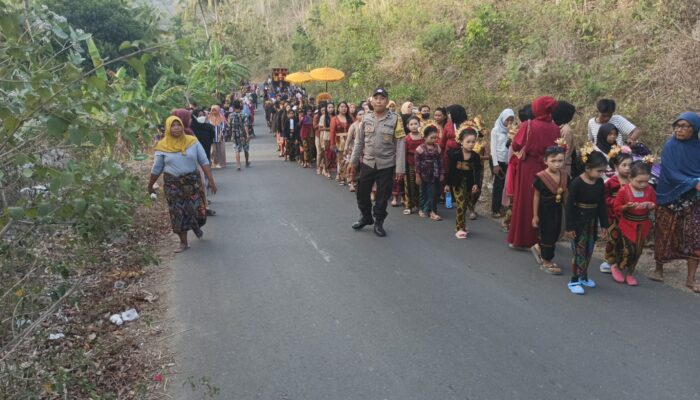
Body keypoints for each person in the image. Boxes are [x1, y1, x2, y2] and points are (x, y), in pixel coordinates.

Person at [148, 116, 217, 253]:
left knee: (197, 210)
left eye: (178, 125)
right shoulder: (162, 146)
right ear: (168, 128)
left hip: (192, 182)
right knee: (177, 213)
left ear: (182, 126)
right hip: (173, 184)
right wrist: (150, 185)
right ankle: (183, 242)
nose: (176, 128)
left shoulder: (192, 141)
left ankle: (196, 225)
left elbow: (203, 161)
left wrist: (211, 181)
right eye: (173, 126)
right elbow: (157, 168)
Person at [650, 112, 700, 293]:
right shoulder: (671, 146)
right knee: (665, 232)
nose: (680, 130)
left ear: (694, 129)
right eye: (677, 126)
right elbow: (670, 173)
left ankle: (690, 279)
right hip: (670, 196)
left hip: (693, 199)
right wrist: (694, 182)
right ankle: (658, 269)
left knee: (696, 237)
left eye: (685, 126)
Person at [348, 88, 406, 237]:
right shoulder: (366, 118)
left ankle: (378, 222)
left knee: (382, 196)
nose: (379, 101)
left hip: (386, 164)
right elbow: (359, 142)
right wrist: (353, 162)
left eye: (382, 98)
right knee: (361, 192)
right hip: (368, 162)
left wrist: (400, 168)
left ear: (387, 101)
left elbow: (400, 144)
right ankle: (366, 217)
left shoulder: (396, 119)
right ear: (371, 100)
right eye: (376, 98)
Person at [507, 96, 561, 249]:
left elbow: (516, 146)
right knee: (542, 201)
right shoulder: (556, 128)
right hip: (546, 168)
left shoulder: (528, 124)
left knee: (525, 200)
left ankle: (521, 239)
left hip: (528, 166)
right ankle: (539, 240)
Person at [564, 150, 609, 295]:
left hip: (592, 221)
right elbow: (569, 206)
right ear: (588, 168)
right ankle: (574, 280)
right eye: (599, 170)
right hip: (578, 222)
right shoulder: (576, 183)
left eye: (603, 171)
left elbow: (602, 204)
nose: (601, 174)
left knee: (589, 249)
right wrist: (569, 226)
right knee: (578, 251)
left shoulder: (600, 182)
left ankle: (583, 276)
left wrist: (604, 224)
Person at [611, 160, 656, 286]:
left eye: (646, 181)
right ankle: (617, 267)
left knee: (638, 251)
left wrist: (651, 205)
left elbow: (654, 204)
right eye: (639, 181)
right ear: (630, 178)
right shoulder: (624, 191)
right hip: (627, 224)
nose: (643, 184)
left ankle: (630, 272)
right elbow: (616, 208)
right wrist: (626, 207)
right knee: (627, 250)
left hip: (643, 225)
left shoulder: (650, 190)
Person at [531, 146, 568, 275]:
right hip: (545, 210)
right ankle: (547, 261)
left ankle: (538, 247)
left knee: (556, 232)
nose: (557, 164)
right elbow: (536, 196)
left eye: (560, 161)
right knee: (548, 234)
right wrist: (535, 215)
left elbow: (566, 194)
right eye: (553, 161)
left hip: (558, 209)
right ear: (545, 161)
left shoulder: (564, 175)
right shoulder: (541, 177)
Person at [599, 149, 633, 274]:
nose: (627, 168)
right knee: (613, 238)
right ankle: (609, 261)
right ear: (616, 166)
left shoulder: (633, 182)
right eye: (624, 165)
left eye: (630, 165)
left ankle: (621, 260)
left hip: (628, 216)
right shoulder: (611, 182)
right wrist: (615, 202)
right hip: (613, 216)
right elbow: (604, 198)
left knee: (625, 240)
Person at [446, 128, 483, 238]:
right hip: (457, 183)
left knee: (465, 204)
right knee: (461, 204)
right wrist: (448, 184)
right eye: (468, 142)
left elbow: (477, 172)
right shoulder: (455, 155)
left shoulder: (475, 156)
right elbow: (451, 170)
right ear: (461, 142)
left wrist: (476, 184)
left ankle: (462, 225)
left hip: (469, 184)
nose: (471, 144)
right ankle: (459, 228)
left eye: (473, 142)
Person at [489, 109, 515, 218]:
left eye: (511, 120)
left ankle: (503, 206)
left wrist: (511, 134)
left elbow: (510, 146)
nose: (509, 122)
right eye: (507, 119)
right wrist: (495, 165)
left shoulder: (512, 131)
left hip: (507, 161)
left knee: (505, 184)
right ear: (502, 119)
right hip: (497, 160)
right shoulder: (496, 130)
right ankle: (495, 209)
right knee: (498, 185)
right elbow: (493, 149)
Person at [415, 125, 443, 221]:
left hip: (434, 174)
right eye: (431, 137)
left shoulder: (438, 148)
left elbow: (440, 161)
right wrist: (417, 176)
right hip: (423, 174)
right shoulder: (420, 149)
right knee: (423, 192)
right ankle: (422, 209)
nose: (434, 139)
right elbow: (417, 164)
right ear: (425, 137)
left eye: (435, 137)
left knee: (433, 193)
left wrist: (442, 173)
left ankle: (433, 212)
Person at [403, 116, 424, 215]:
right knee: (409, 185)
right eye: (411, 124)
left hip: (422, 165)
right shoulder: (406, 138)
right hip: (410, 164)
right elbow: (404, 153)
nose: (414, 126)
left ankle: (420, 206)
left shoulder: (423, 137)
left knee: (420, 185)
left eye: (416, 123)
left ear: (419, 124)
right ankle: (409, 206)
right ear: (407, 126)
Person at [552, 101, 577, 178]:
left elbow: (566, 150)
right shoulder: (555, 125)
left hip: (562, 166)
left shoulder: (565, 130)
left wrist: (557, 164)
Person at [330, 102, 352, 185]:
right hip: (339, 141)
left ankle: (348, 177)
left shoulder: (350, 118)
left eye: (345, 107)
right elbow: (332, 132)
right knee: (341, 159)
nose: (344, 108)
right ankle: (342, 177)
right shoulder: (334, 119)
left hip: (349, 140)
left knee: (349, 159)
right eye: (342, 107)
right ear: (338, 108)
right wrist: (332, 144)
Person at [344, 108, 364, 193]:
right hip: (354, 148)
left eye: (363, 114)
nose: (362, 116)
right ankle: (351, 183)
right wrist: (346, 147)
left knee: (362, 167)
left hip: (364, 150)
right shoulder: (353, 125)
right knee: (353, 166)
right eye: (360, 114)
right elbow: (348, 139)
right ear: (356, 116)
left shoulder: (366, 125)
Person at [227, 100, 250, 170]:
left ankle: (238, 165)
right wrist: (247, 134)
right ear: (240, 106)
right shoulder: (244, 115)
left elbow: (229, 126)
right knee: (246, 149)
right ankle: (246, 162)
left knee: (237, 150)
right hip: (243, 135)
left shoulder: (230, 115)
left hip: (235, 135)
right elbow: (245, 125)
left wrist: (229, 135)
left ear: (233, 107)